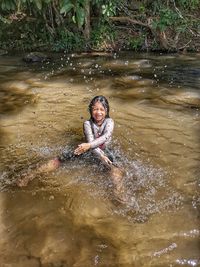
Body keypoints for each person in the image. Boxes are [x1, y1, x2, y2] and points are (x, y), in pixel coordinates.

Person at [16, 96, 124, 194]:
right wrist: (97, 153)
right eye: (95, 109)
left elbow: (105, 136)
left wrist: (97, 151)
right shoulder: (87, 124)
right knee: (60, 159)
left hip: (102, 149)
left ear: (106, 110)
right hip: (86, 149)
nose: (98, 112)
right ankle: (30, 175)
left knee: (116, 169)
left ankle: (118, 192)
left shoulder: (109, 122)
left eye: (101, 109)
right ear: (91, 110)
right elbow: (90, 141)